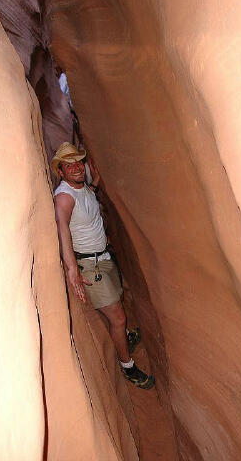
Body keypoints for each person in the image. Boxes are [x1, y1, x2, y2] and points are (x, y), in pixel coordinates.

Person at [51, 142, 155, 389]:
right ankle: (127, 366)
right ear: (61, 171)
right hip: (89, 267)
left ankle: (126, 336)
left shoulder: (83, 187)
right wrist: (72, 270)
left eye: (79, 162)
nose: (76, 167)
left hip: (103, 259)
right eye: (69, 165)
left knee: (118, 299)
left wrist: (95, 182)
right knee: (117, 318)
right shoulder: (64, 197)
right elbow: (62, 229)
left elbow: (87, 200)